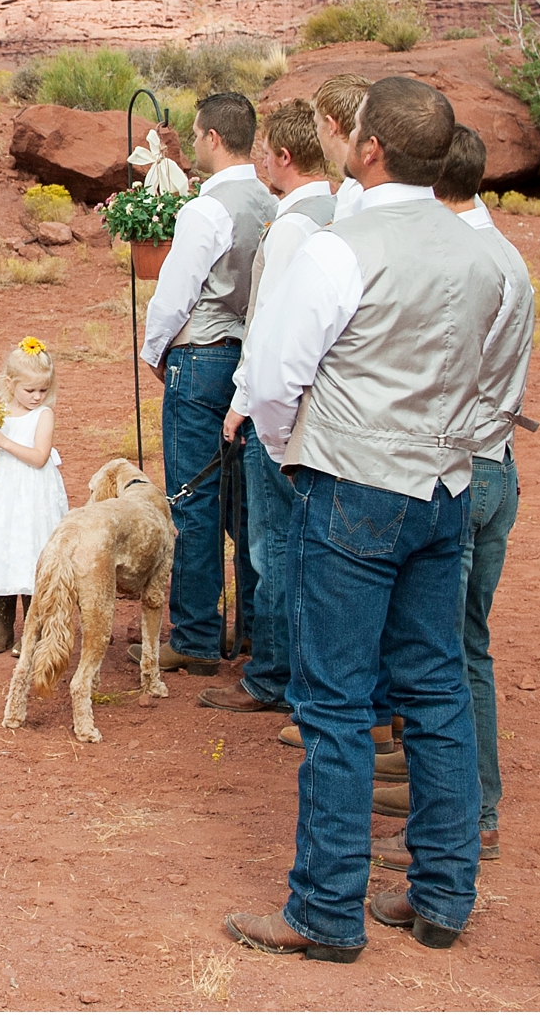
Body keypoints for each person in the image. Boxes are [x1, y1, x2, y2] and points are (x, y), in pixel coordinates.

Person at [227, 77, 513, 962]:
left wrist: (287, 451)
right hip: (445, 490)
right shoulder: (485, 254)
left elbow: (276, 380)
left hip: (352, 486)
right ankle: (442, 897)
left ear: (371, 147)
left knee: (336, 702)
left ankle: (323, 910)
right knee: (435, 694)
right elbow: (492, 377)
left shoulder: (339, 249)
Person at [373, 128, 533, 870]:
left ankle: (473, 813)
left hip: (456, 469)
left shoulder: (460, 261)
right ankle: (452, 793)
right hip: (495, 463)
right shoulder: (504, 255)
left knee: (452, 655)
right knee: (458, 645)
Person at [134, 90, 274, 675]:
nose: (193, 144)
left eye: (195, 135)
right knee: (246, 506)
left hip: (201, 357)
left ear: (214, 138)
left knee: (192, 495)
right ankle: (249, 631)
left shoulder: (204, 210)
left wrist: (152, 350)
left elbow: (176, 292)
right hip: (251, 360)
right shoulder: (271, 202)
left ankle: (193, 635)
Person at [204, 98, 336, 715]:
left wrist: (242, 402)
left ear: (283, 157)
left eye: (264, 154)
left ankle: (274, 675)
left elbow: (270, 325)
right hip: (320, 408)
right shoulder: (335, 210)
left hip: (275, 406)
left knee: (272, 546)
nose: (258, 162)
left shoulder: (289, 229)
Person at [0, 338, 68, 652]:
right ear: (10, 384)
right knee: (3, 550)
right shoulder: (0, 413)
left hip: (33, 495)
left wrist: (2, 441)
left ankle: (35, 627)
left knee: (30, 551)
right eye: (30, 390)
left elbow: (39, 457)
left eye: (42, 390)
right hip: (3, 494)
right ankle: (2, 626)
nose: (37, 397)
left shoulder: (43, 415)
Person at [312, 73, 371, 222]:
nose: (316, 132)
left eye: (317, 124)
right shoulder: (363, 182)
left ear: (332, 125)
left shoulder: (356, 195)